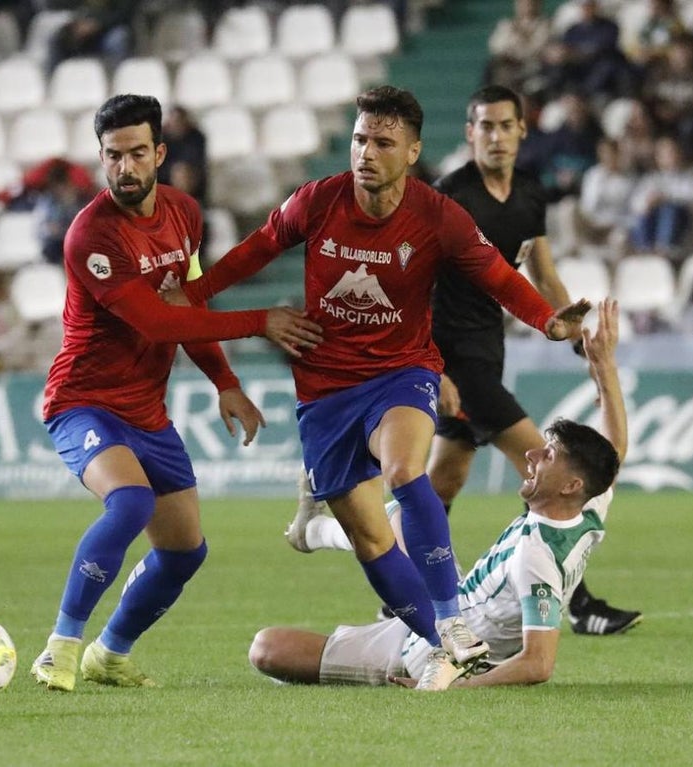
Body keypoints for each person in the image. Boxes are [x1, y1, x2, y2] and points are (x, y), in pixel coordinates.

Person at [171, 85, 591, 691]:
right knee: (371, 538)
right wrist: (194, 295)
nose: (366, 152)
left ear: (412, 151)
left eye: (382, 142)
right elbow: (255, 251)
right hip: (324, 385)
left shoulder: (438, 215)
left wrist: (546, 320)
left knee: (404, 472)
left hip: (402, 371)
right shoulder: (318, 200)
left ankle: (451, 621)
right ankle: (434, 641)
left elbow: (498, 274)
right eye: (360, 139)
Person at [286, 84, 639, 636]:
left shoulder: (528, 194)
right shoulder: (449, 197)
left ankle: (378, 580)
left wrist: (569, 331)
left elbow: (540, 274)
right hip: (450, 362)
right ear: (468, 133)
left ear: (523, 130)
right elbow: (406, 287)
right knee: (554, 466)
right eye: (484, 126)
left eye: (506, 126)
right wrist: (433, 372)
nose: (495, 137)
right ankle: (578, 603)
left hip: (487, 351)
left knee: (440, 483)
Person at [30, 94, 323, 693]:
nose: (126, 168)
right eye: (114, 156)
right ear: (102, 158)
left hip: (146, 410)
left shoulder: (185, 214)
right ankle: (60, 646)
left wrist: (227, 382)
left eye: (138, 153)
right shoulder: (90, 236)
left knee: (186, 550)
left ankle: (109, 653)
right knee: (130, 502)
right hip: (83, 402)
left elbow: (186, 303)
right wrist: (260, 318)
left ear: (160, 153)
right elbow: (158, 323)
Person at [249, 299, 628, 689]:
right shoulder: (588, 507)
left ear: (570, 485)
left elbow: (537, 663)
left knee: (267, 648)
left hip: (436, 654)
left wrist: (450, 687)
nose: (531, 455)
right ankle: (312, 531)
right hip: (452, 604)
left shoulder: (537, 559)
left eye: (547, 456)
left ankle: (316, 539)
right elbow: (614, 450)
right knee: (402, 517)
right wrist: (604, 365)